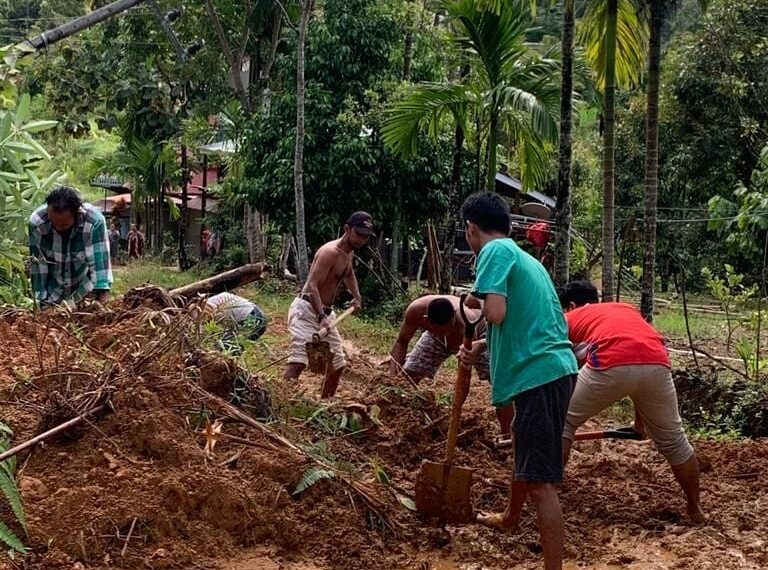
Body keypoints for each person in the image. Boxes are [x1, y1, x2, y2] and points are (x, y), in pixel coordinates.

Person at [458, 192, 577, 570]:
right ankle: (510, 520)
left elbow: (495, 312)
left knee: (542, 483)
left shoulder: (493, 252)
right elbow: (521, 322)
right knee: (526, 457)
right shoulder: (527, 259)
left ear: (470, 229)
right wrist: (480, 347)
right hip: (549, 370)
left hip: (538, 376)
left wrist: (473, 306)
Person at [558, 280, 704, 524]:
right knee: (675, 441)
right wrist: (640, 425)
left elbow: (555, 356)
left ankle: (549, 490)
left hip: (610, 360)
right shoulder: (625, 310)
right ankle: (695, 508)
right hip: (657, 362)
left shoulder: (569, 317)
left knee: (563, 422)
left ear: (570, 305)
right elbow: (637, 361)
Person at [388, 295, 514, 441]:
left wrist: (456, 410)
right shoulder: (415, 311)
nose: (446, 333)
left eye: (448, 329)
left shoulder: (465, 326)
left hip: (477, 340)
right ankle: (397, 416)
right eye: (442, 331)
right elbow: (401, 342)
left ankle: (508, 437)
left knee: (499, 384)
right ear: (427, 320)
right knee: (409, 376)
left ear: (453, 316)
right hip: (434, 338)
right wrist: (393, 383)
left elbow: (464, 375)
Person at [283, 211, 375, 398]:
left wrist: (357, 296)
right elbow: (311, 286)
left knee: (337, 365)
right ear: (347, 229)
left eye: (365, 237)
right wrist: (320, 317)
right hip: (307, 310)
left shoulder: (348, 254)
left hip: (326, 313)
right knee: (298, 361)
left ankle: (325, 404)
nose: (361, 240)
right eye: (359, 234)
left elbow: (348, 274)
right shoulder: (329, 252)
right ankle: (282, 402)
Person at [28, 186, 113, 307]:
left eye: (63, 224)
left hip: (83, 292)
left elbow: (100, 270)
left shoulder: (94, 222)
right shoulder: (37, 222)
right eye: (53, 222)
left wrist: (101, 303)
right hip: (53, 293)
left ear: (77, 214)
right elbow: (39, 268)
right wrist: (41, 306)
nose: (57, 227)